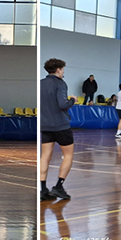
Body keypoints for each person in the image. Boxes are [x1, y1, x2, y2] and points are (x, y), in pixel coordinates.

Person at [40, 59, 78, 202]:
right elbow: (63, 104)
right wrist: (72, 100)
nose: (63, 72)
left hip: (45, 125)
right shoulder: (60, 84)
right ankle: (58, 186)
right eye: (62, 70)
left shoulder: (41, 83)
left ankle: (43, 190)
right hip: (61, 125)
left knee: (45, 156)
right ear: (58, 70)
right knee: (68, 155)